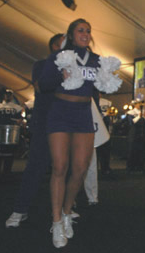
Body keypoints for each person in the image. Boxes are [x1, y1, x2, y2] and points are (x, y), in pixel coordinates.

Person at [39, 19, 100, 248]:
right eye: (80, 30)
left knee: (80, 168)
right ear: (71, 35)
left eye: (88, 30)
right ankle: (55, 222)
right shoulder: (59, 56)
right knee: (60, 166)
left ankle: (66, 213)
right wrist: (59, 74)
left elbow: (99, 86)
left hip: (84, 114)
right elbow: (44, 83)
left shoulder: (95, 59)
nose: (85, 33)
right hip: (60, 112)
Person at [5, 34, 64, 228]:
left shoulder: (75, 65)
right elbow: (41, 88)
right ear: (55, 46)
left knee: (66, 168)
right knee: (36, 167)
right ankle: (20, 209)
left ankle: (65, 210)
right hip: (45, 123)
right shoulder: (42, 65)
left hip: (66, 123)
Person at [0, 89, 24, 180]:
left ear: (12, 96)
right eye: (6, 95)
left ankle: (7, 173)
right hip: (0, 133)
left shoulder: (17, 107)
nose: (8, 96)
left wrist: (19, 121)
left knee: (9, 154)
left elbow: (20, 119)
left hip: (11, 134)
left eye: (9, 95)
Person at [126, 99, 145, 172]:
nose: (140, 105)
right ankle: (131, 167)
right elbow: (131, 122)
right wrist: (139, 116)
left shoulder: (143, 112)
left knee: (142, 151)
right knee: (132, 151)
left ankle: (141, 166)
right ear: (134, 104)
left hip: (142, 134)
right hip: (134, 134)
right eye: (138, 103)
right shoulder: (130, 113)